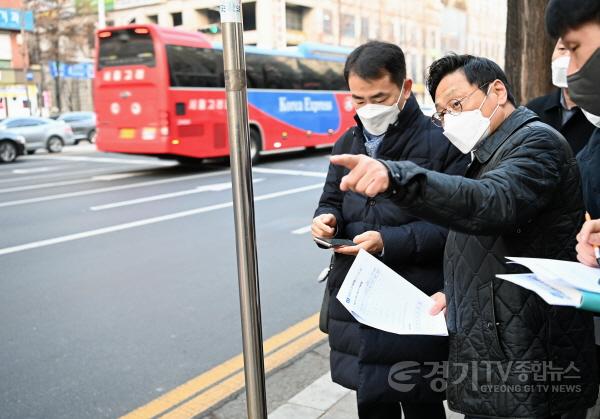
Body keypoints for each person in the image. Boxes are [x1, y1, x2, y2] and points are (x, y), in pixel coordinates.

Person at [327, 53, 599, 418]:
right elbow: (487, 248)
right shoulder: (488, 151)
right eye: (443, 113)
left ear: (497, 91)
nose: (451, 119)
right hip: (501, 348)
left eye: (457, 104)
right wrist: (453, 292)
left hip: (529, 356)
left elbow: (490, 203)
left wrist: (399, 179)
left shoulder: (535, 143)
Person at [311, 41, 467, 419]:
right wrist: (325, 220)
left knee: (420, 403)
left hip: (414, 299)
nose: (368, 109)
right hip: (359, 297)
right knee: (371, 400)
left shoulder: (442, 142)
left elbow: (459, 226)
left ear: (405, 87)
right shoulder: (348, 141)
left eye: (378, 97)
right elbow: (331, 200)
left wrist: (387, 242)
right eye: (358, 100)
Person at [526, 38, 595, 155]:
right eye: (562, 49)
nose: (566, 57)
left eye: (575, 50)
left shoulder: (596, 118)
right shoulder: (533, 110)